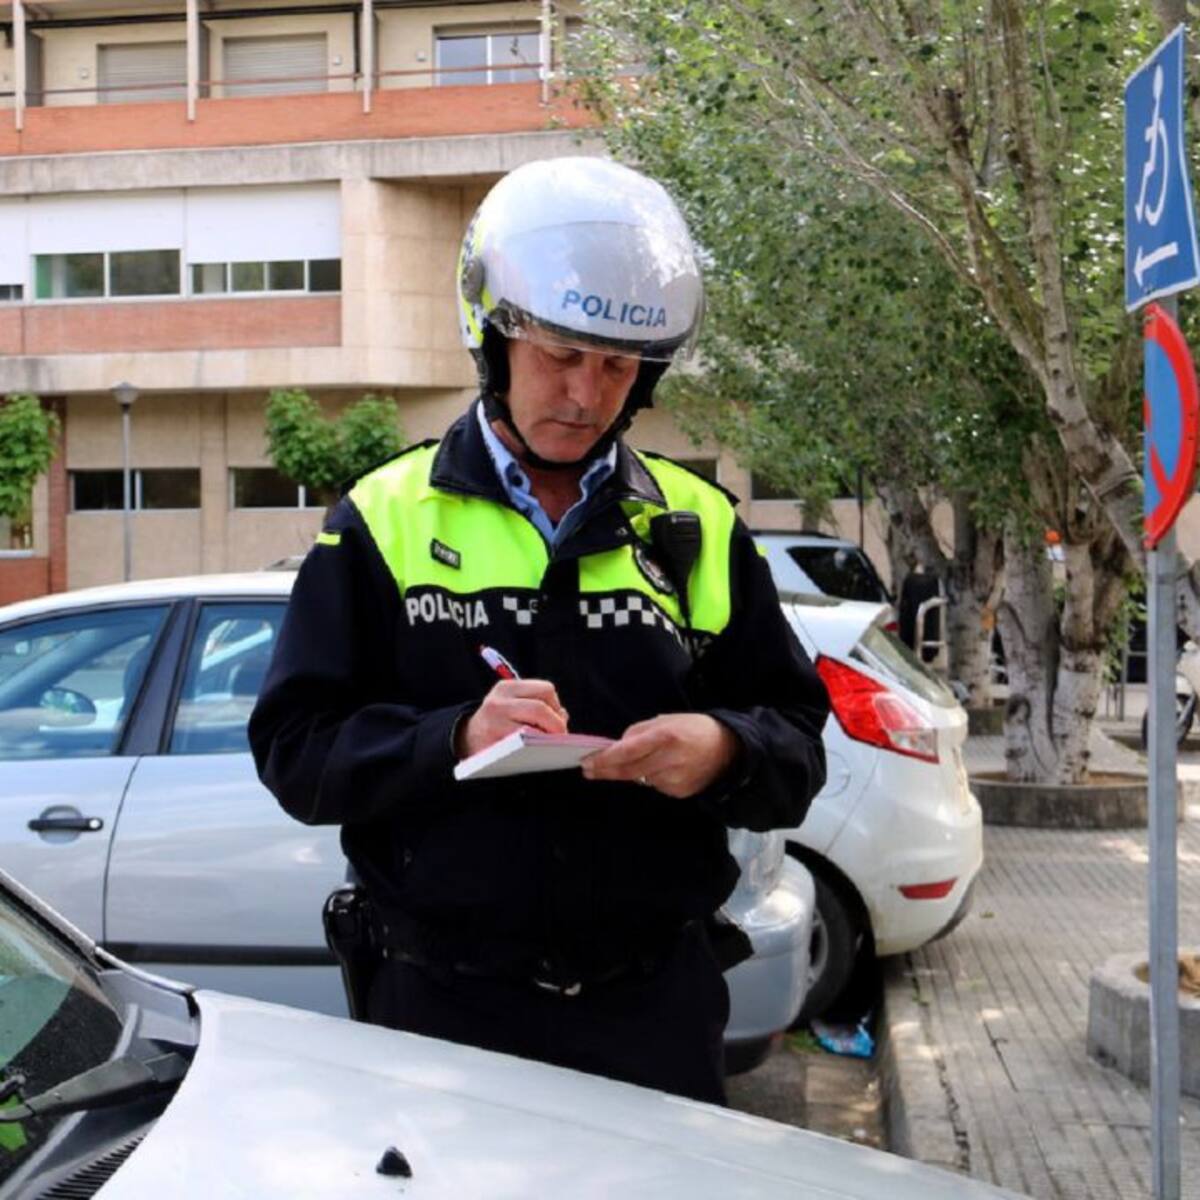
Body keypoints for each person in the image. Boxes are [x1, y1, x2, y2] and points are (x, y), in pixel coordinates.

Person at [248, 156, 828, 1106]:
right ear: (493, 336)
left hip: (653, 1012)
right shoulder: (381, 518)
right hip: (443, 1016)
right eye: (561, 356)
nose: (588, 394)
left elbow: (798, 747)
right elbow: (295, 751)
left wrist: (726, 749)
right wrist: (453, 739)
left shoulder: (700, 524)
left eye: (617, 366)